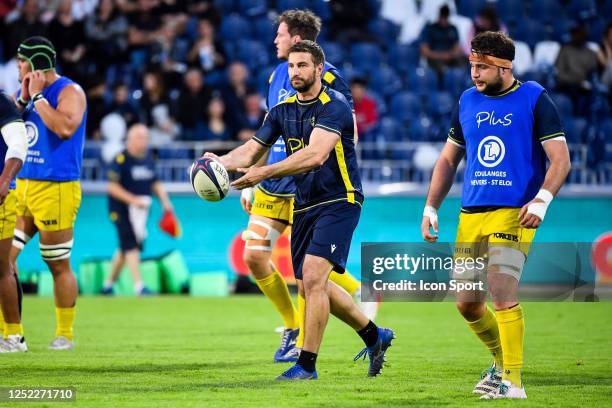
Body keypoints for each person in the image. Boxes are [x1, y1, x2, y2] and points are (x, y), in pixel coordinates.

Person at [209, 41, 394, 381]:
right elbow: (251, 150)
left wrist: (262, 173)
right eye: (292, 66)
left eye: (303, 66)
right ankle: (374, 335)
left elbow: (315, 155)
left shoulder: (334, 106)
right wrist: (218, 161)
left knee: (312, 276)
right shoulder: (281, 110)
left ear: (319, 70)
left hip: (340, 200)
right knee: (312, 286)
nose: (295, 72)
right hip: (305, 204)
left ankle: (306, 366)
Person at [421, 32, 571, 399]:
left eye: (483, 66)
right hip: (472, 212)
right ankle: (502, 364)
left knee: (502, 290)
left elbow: (561, 160)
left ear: (504, 67)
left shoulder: (534, 97)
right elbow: (447, 159)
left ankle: (513, 384)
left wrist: (541, 201)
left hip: (513, 212)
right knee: (468, 304)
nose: (474, 72)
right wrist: (430, 206)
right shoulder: (467, 101)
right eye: (472, 64)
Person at [239, 9, 377, 365]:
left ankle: (349, 311)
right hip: (275, 181)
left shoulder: (331, 80)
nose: (275, 40)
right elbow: (265, 135)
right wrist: (246, 177)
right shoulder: (276, 76)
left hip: (315, 183)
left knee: (312, 275)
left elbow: (346, 135)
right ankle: (291, 328)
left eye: (280, 35)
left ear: (297, 40)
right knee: (256, 256)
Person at [10, 36, 87, 350]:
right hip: (23, 186)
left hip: (56, 187)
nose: (17, 67)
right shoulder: (24, 94)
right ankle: (12, 334)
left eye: (20, 62)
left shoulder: (70, 92)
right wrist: (21, 101)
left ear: (34, 64)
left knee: (56, 263)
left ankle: (64, 335)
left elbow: (65, 128)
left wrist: (39, 98)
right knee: (4, 261)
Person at [103, 123, 173, 296]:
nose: (144, 141)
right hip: (120, 209)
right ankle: (139, 286)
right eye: (140, 137)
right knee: (131, 245)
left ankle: (108, 285)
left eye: (146, 137)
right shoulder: (120, 160)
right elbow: (112, 187)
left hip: (140, 212)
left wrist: (165, 202)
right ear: (130, 139)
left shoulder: (148, 159)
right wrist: (133, 200)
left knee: (125, 247)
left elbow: (154, 182)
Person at [0, 91, 28, 353]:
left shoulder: (1, 102)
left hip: (1, 195)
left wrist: (4, 179)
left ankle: (14, 336)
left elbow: (19, 145)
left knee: (1, 268)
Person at [419, 5, 463, 74]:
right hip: (434, 58)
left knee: (461, 65)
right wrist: (441, 55)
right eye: (442, 17)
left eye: (445, 17)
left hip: (449, 58)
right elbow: (425, 51)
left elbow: (457, 49)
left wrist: (450, 55)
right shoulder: (430, 28)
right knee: (442, 69)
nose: (444, 20)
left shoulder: (453, 28)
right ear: (439, 16)